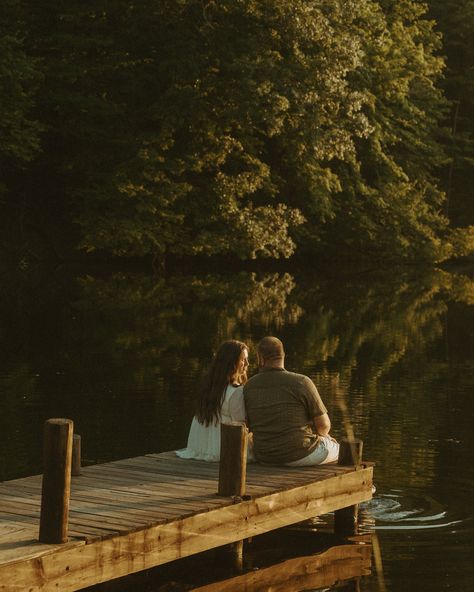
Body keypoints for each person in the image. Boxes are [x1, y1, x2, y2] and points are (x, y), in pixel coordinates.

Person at [243, 336, 339, 466]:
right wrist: (323, 437)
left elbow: (247, 424)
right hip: (301, 454)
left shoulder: (249, 386)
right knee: (337, 447)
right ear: (283, 356)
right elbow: (324, 425)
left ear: (260, 358)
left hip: (265, 456)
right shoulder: (302, 382)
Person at [176, 340, 251, 462]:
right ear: (231, 363)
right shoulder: (236, 391)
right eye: (243, 359)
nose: (247, 363)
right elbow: (239, 424)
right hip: (222, 448)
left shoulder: (208, 387)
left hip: (200, 447)